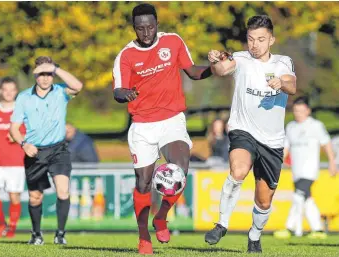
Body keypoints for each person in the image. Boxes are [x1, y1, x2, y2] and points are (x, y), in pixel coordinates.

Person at [112, 3, 213, 254]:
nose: (146, 33)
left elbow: (193, 71)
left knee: (180, 170)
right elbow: (117, 91)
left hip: (171, 120)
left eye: (150, 27)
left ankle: (162, 216)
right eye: (140, 29)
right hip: (142, 126)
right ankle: (144, 235)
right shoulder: (125, 55)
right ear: (133, 29)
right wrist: (125, 94)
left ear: (157, 24)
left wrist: (214, 69)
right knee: (144, 183)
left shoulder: (173, 42)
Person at [204, 15, 297, 253]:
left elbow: (292, 85)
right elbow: (222, 69)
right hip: (243, 130)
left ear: (272, 40)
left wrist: (280, 84)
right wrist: (214, 61)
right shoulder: (242, 58)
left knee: (264, 201)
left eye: (261, 40)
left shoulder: (282, 62)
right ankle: (221, 224)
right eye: (250, 39)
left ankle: (254, 236)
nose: (254, 45)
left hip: (272, 141)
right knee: (238, 170)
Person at [9, 56, 83, 245]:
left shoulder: (60, 92)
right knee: (35, 197)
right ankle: (36, 234)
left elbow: (78, 86)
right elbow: (14, 129)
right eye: (41, 74)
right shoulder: (24, 97)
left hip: (58, 150)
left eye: (48, 74)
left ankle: (60, 233)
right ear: (35, 74)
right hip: (35, 152)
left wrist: (56, 69)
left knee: (63, 191)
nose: (45, 78)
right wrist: (24, 144)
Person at [274, 97, 337, 239]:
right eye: (296, 110)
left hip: (310, 170)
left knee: (298, 196)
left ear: (308, 111)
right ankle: (318, 230)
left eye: (301, 111)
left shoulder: (316, 125)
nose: (298, 113)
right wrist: (278, 164)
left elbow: (326, 144)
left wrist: (332, 163)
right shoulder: (291, 127)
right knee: (306, 199)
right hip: (296, 171)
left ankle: (289, 228)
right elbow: (286, 148)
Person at [0, 77, 26, 238]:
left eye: (12, 89)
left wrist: (17, 135)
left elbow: (29, 134)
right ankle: (1, 223)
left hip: (16, 162)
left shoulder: (21, 111)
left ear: (16, 91)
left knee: (14, 196)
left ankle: (12, 227)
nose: (8, 93)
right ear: (0, 91)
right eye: (5, 89)